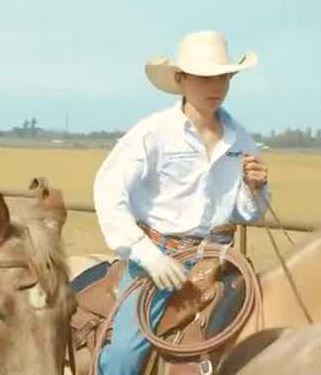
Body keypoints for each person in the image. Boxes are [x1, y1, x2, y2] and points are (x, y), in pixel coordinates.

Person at [93, 30, 270, 375]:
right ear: (180, 79)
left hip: (220, 259)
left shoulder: (240, 138)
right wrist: (146, 255)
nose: (215, 86)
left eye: (223, 77)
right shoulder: (153, 132)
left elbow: (250, 211)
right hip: (158, 262)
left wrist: (255, 188)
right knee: (125, 355)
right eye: (205, 77)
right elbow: (108, 191)